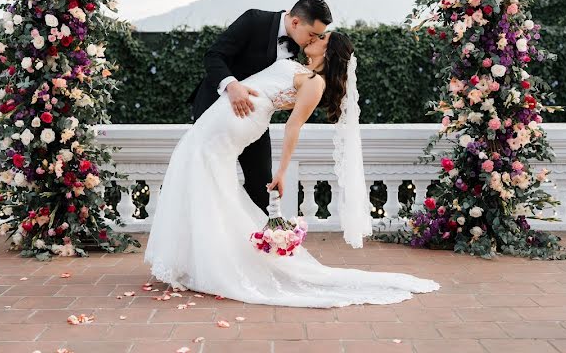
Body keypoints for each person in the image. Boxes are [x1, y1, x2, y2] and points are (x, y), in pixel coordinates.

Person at [147, 31, 440, 307]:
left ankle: (213, 263)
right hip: (231, 115)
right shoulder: (300, 68)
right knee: (205, 179)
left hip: (240, 122)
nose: (314, 38)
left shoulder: (315, 82)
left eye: (322, 37)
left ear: (330, 51)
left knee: (205, 175)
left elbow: (293, 125)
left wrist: (282, 171)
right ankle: (201, 258)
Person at [188, 0, 333, 214]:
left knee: (262, 185)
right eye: (312, 34)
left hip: (254, 120)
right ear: (295, 22)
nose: (312, 40)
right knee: (210, 180)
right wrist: (232, 85)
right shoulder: (254, 20)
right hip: (216, 108)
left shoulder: (299, 51)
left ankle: (261, 243)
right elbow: (213, 55)